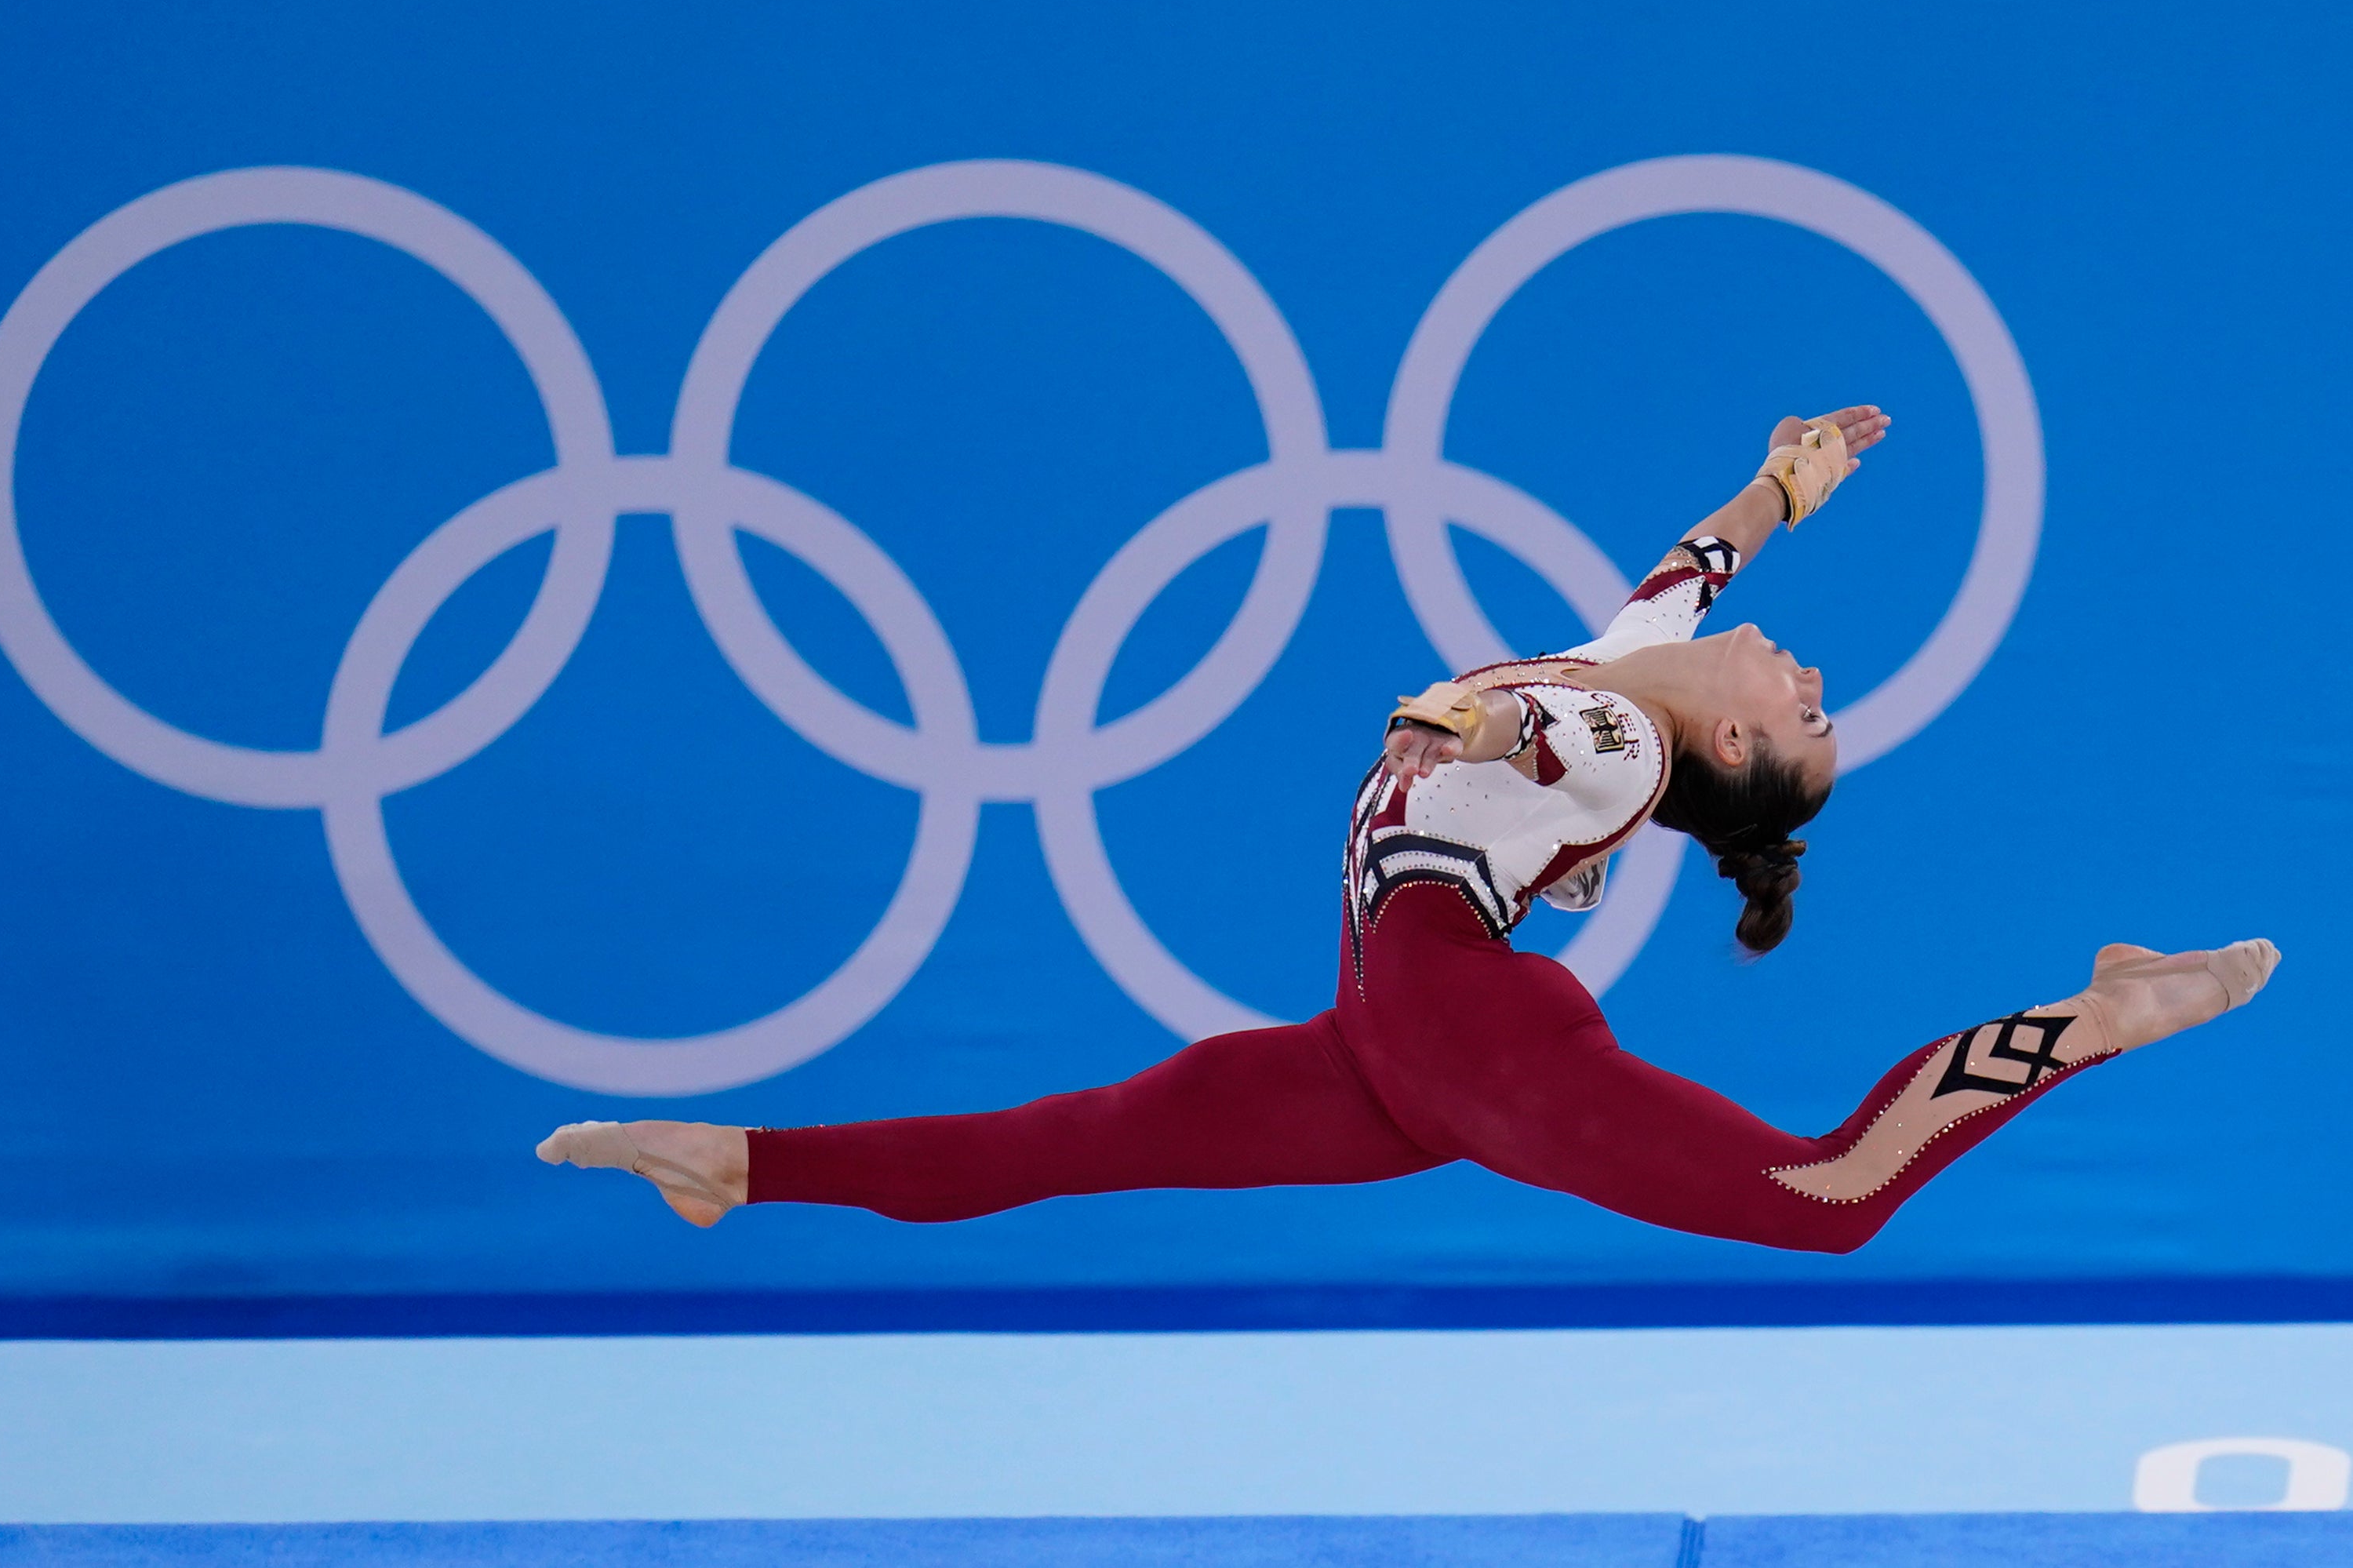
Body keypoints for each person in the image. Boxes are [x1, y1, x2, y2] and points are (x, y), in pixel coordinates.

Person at [536, 406, 2278, 1253]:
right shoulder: (1633, 669)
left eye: (1807, 707)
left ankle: (2105, 1011)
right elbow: (1692, 574)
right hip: (1389, 1040)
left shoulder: (1598, 721)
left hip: (1463, 1025)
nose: (1810, 667)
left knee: (1824, 1193)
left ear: (1728, 736)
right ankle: (738, 1160)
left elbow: (1548, 722)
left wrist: (1464, 718)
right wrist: (1789, 481)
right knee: (1063, 1136)